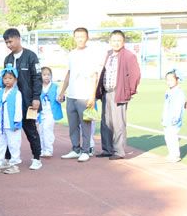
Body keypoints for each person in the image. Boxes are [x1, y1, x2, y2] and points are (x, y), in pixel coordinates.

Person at [95, 30, 141, 160]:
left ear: (123, 42)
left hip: (119, 92)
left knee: (118, 123)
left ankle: (119, 151)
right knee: (106, 122)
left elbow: (135, 75)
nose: (116, 43)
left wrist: (129, 91)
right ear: (110, 41)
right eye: (114, 40)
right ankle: (107, 149)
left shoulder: (129, 56)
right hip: (106, 92)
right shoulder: (108, 54)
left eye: (119, 40)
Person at [57, 27, 100, 163]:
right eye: (77, 37)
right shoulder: (71, 54)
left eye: (82, 36)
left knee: (85, 125)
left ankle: (86, 151)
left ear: (87, 38)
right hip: (72, 95)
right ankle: (76, 149)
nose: (80, 39)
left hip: (85, 95)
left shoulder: (91, 53)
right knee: (73, 125)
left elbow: (94, 76)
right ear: (74, 38)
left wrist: (92, 96)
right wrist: (62, 91)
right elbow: (69, 73)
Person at [3, 28, 43, 170]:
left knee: (30, 130)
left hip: (27, 101)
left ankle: (36, 158)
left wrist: (36, 97)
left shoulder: (31, 56)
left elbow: (37, 78)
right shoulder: (7, 59)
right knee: (8, 130)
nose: (9, 45)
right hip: (11, 102)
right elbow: (5, 79)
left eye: (10, 41)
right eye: (6, 42)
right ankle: (8, 158)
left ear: (18, 39)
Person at [0, 65, 23, 174]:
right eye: (5, 78)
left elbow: (18, 108)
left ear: (15, 79)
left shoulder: (17, 93)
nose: (7, 80)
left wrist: (17, 122)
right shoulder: (0, 92)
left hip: (12, 124)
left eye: (10, 78)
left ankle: (14, 164)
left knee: (13, 144)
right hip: (1, 124)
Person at [38, 66, 63, 158]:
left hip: (51, 112)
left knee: (47, 129)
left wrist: (61, 98)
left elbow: (59, 98)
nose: (47, 76)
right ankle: (41, 149)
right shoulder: (38, 87)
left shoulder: (55, 87)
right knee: (41, 131)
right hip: (41, 113)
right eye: (44, 75)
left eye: (48, 74)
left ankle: (48, 149)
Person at [162, 70, 185, 163]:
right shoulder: (168, 91)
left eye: (171, 80)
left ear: (177, 80)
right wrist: (164, 116)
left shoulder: (179, 92)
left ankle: (175, 155)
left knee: (173, 137)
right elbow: (166, 105)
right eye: (167, 80)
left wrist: (175, 118)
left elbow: (179, 107)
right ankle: (171, 153)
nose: (169, 82)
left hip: (174, 119)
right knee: (167, 137)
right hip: (167, 118)